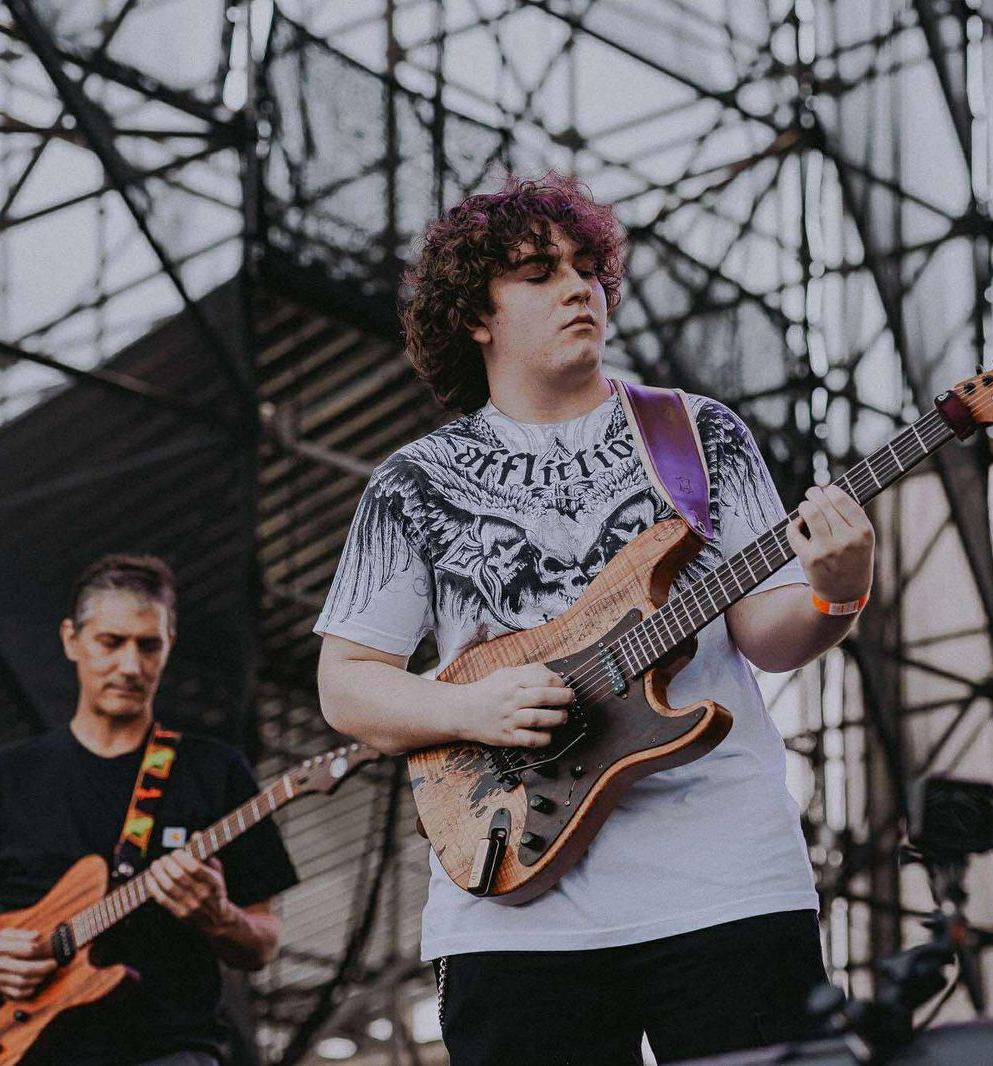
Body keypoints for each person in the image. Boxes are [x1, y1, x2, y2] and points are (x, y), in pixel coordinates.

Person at [316, 173, 876, 1065]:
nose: (579, 288)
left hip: (726, 878)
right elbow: (346, 685)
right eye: (539, 273)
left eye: (588, 268)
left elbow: (767, 636)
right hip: (514, 897)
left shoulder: (699, 434)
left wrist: (837, 592)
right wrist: (470, 708)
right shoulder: (413, 483)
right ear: (475, 315)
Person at [0, 554, 298, 1066]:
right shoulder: (7, 775)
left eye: (148, 645)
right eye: (111, 642)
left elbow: (262, 944)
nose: (130, 666)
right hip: (29, 1049)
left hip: (168, 1050)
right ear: (71, 639)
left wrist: (219, 918)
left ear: (169, 645)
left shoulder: (215, 772)